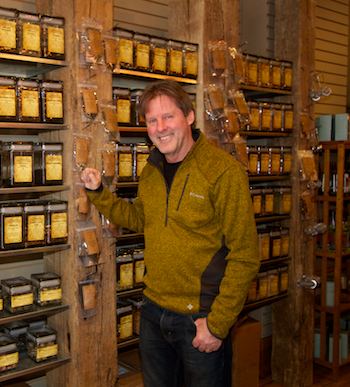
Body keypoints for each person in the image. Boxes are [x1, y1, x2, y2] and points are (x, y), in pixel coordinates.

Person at [81, 79, 259, 387]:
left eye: (168, 116)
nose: (160, 127)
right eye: (152, 120)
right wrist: (98, 193)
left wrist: (217, 325)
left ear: (189, 117)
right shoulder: (152, 171)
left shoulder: (223, 172)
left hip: (200, 318)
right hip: (153, 313)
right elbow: (140, 219)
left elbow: (245, 256)